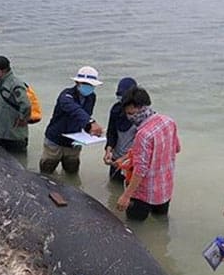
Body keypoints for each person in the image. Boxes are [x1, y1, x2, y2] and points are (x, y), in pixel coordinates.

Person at [115, 87, 180, 221]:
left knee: (134, 227)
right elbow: (176, 148)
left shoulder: (143, 134)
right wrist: (131, 155)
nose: (129, 117)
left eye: (130, 112)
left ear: (141, 108)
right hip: (164, 188)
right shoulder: (168, 121)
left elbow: (140, 170)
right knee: (161, 224)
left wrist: (126, 196)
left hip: (143, 193)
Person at [39, 66, 104, 174]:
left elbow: (85, 116)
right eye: (86, 84)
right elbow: (75, 110)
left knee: (72, 172)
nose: (89, 87)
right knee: (46, 171)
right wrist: (91, 122)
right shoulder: (66, 95)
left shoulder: (91, 97)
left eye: (91, 85)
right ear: (77, 83)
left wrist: (90, 130)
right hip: (55, 140)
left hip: (74, 141)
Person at [0, 55, 30, 153]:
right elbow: (6, 100)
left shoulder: (15, 84)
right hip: (3, 133)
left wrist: (22, 119)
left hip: (14, 137)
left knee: (17, 164)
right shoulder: (1, 82)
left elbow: (26, 105)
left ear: (1, 71)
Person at [103, 77, 138, 182]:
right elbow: (111, 132)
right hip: (116, 159)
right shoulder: (116, 109)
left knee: (131, 189)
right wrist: (108, 150)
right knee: (114, 186)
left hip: (133, 161)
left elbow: (141, 145)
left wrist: (125, 158)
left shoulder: (141, 115)